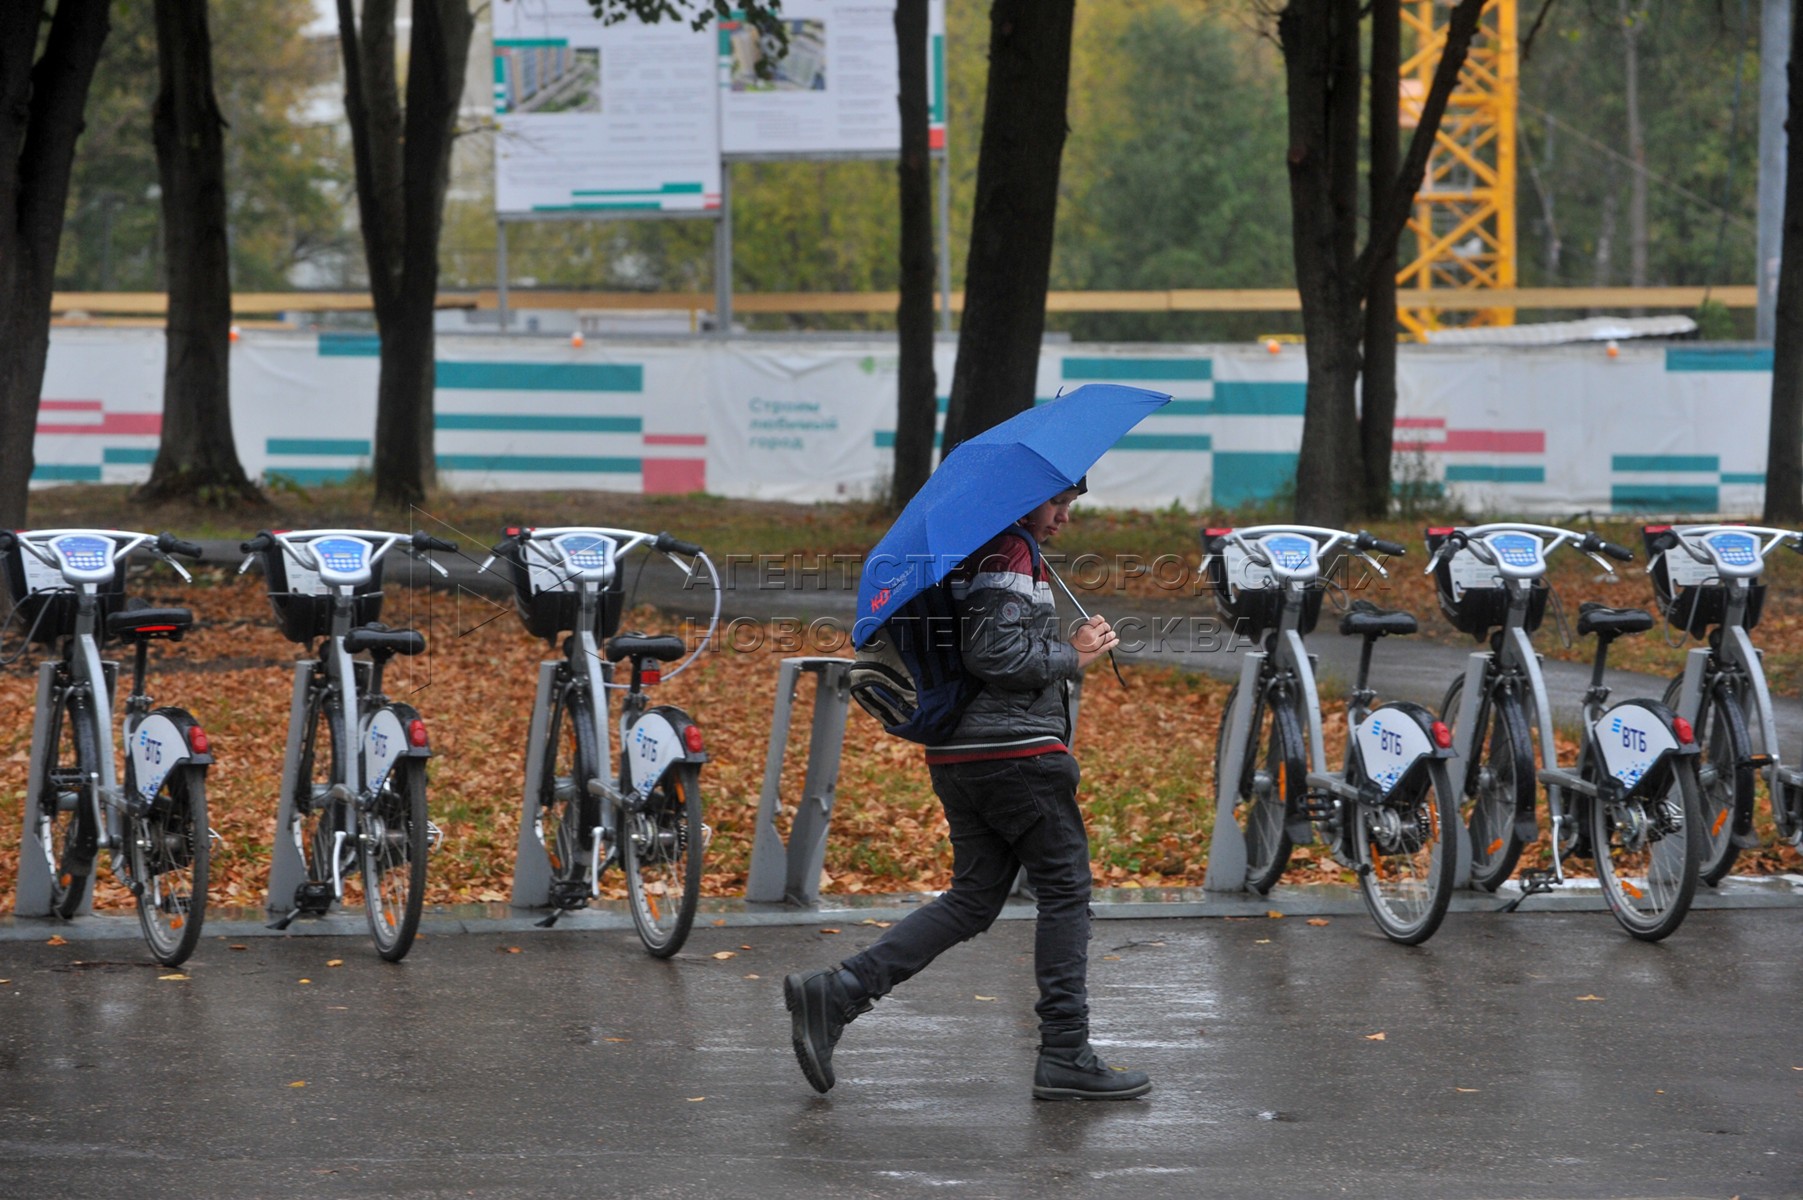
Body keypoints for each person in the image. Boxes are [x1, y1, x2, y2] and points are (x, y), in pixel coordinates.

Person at [784, 481, 1151, 1100]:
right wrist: (1073, 655)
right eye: (1057, 502)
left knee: (975, 898)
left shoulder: (973, 552)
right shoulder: (1008, 550)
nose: (1063, 517)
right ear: (1023, 498)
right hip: (1015, 755)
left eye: (1070, 505)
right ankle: (1065, 1052)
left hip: (960, 753)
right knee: (1065, 889)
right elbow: (995, 656)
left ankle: (839, 991)